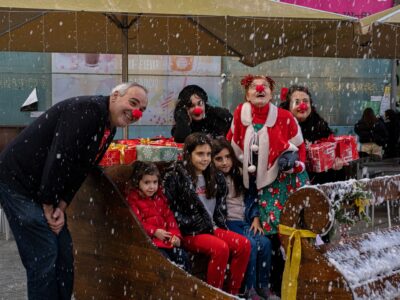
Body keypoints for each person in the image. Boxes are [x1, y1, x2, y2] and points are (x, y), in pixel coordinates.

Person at [0, 82, 148, 300]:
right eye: (133, 103)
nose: (137, 113)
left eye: (142, 110)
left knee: (64, 255)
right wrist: (49, 204)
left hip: (41, 187)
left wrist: (62, 205)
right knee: (44, 252)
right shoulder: (87, 110)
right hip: (17, 181)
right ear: (115, 96)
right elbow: (61, 155)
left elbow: (81, 168)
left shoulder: (108, 127)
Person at [227, 74, 309, 296]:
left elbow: (300, 148)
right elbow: (231, 143)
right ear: (247, 93)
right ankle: (257, 285)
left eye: (264, 87)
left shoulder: (284, 117)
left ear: (272, 93)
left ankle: (277, 284)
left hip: (278, 183)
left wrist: (294, 162)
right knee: (259, 237)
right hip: (248, 183)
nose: (259, 89)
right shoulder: (239, 114)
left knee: (278, 236)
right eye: (254, 87)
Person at [163, 132, 251, 296]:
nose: (205, 158)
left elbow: (219, 209)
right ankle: (213, 294)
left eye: (208, 154)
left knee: (244, 245)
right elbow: (169, 209)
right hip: (189, 232)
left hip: (211, 228)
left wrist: (217, 226)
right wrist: (184, 228)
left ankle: (232, 293)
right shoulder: (176, 176)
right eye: (200, 154)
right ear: (188, 154)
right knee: (220, 248)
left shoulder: (214, 176)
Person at [212, 137, 271, 300]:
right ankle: (249, 288)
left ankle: (263, 286)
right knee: (250, 245)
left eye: (227, 157)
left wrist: (255, 217)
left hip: (244, 220)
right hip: (228, 222)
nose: (225, 162)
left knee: (265, 243)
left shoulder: (240, 174)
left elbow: (251, 197)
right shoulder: (214, 179)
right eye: (219, 159)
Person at [126, 161, 190, 271]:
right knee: (164, 262)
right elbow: (137, 223)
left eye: (155, 182)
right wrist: (154, 231)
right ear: (138, 183)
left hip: (166, 242)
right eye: (147, 183)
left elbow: (170, 218)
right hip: (150, 244)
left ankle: (184, 284)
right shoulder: (134, 200)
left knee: (183, 256)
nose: (152, 187)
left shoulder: (159, 198)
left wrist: (176, 236)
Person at [280, 85, 346, 184]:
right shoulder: (279, 126)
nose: (302, 105)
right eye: (296, 102)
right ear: (288, 106)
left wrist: (337, 165)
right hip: (286, 186)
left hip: (316, 186)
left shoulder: (321, 127)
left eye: (305, 101)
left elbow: (332, 165)